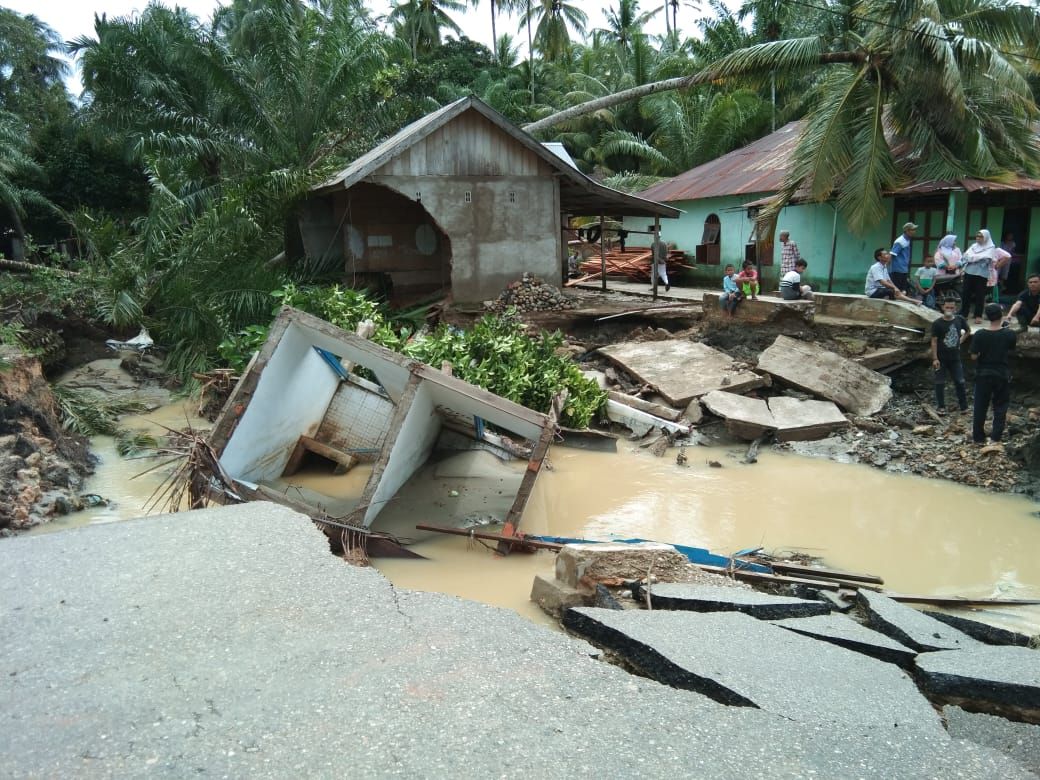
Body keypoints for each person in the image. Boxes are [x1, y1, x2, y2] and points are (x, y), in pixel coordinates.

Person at [970, 302, 1017, 444]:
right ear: (1001, 316)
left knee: (980, 406)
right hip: (1002, 373)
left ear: (987, 317)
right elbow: (1011, 349)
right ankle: (995, 437)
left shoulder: (979, 334)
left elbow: (973, 356)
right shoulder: (1009, 334)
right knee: (1000, 406)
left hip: (983, 374)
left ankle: (978, 438)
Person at [930, 299, 969, 414]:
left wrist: (960, 341)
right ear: (943, 308)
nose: (949, 310)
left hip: (955, 358)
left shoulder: (959, 319)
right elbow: (934, 341)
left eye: (951, 308)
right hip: (941, 358)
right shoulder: (937, 323)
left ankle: (964, 407)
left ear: (955, 308)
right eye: (947, 307)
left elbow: (967, 331)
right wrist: (935, 358)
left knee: (960, 381)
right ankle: (941, 407)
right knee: (939, 382)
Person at [960, 229, 997, 323]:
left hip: (981, 274)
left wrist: (972, 259)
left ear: (986, 237)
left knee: (980, 295)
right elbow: (965, 256)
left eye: (980, 236)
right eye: (977, 236)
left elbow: (987, 259)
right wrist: (976, 258)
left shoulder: (990, 247)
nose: (978, 238)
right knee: (966, 293)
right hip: (969, 272)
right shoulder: (973, 246)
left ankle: (978, 315)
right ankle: (964, 313)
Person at [889, 222, 916, 294]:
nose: (914, 231)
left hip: (904, 269)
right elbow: (892, 254)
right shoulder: (900, 241)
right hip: (897, 269)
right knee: (897, 290)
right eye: (912, 230)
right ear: (907, 231)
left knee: (903, 290)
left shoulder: (907, 240)